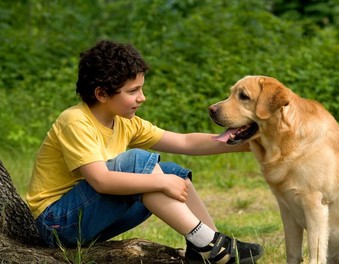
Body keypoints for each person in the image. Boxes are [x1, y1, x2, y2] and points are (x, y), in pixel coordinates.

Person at [26, 40, 264, 264]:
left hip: (89, 217)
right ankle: (211, 246)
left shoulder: (125, 122)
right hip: (57, 223)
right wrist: (160, 183)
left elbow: (185, 142)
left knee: (173, 174)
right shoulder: (76, 121)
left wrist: (247, 142)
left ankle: (209, 249)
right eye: (133, 91)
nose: (142, 97)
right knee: (139, 162)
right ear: (102, 94)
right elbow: (101, 181)